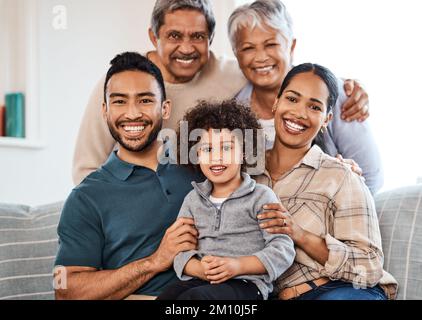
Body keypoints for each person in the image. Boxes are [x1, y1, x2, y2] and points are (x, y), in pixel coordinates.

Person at [72, 0, 370, 186]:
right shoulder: (121, 86)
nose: (186, 48)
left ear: (211, 39)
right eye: (174, 36)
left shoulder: (234, 74)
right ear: (153, 36)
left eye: (198, 37)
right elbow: (86, 168)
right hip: (139, 199)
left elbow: (283, 71)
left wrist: (343, 85)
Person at [54, 52, 204, 300]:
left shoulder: (200, 165)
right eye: (119, 102)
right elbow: (64, 290)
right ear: (105, 111)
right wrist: (155, 261)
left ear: (165, 109)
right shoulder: (86, 197)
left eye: (145, 100)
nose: (132, 114)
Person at [253, 63, 398, 300]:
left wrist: (300, 234)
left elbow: (370, 267)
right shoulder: (246, 174)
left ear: (326, 119)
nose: (299, 113)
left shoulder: (341, 175)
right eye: (292, 99)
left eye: (314, 106)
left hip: (341, 290)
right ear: (275, 103)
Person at [229, 0, 383, 194]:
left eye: (271, 44)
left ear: (291, 46)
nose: (261, 57)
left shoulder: (336, 95)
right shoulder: (232, 115)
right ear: (236, 54)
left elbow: (371, 176)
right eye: (248, 48)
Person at [157, 101, 295, 300]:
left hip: (246, 284)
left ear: (245, 151)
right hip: (202, 281)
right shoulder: (193, 200)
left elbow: (282, 249)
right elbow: (180, 252)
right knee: (168, 297)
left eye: (227, 148)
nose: (217, 158)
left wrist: (238, 266)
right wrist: (199, 269)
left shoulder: (261, 196)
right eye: (207, 149)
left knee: (196, 300)